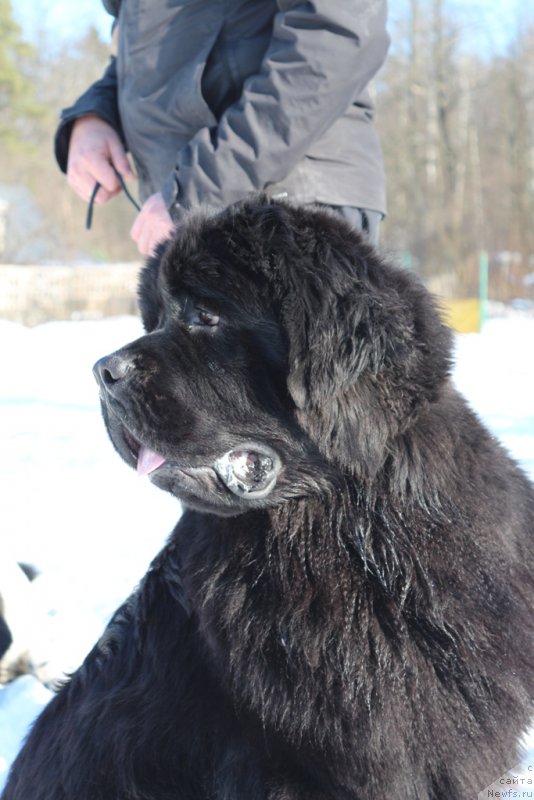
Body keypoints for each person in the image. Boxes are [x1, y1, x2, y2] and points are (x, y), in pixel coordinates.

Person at [55, 0, 390, 256]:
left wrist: (197, 191)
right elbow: (154, 50)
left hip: (278, 203)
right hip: (190, 214)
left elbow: (338, 32)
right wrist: (98, 113)